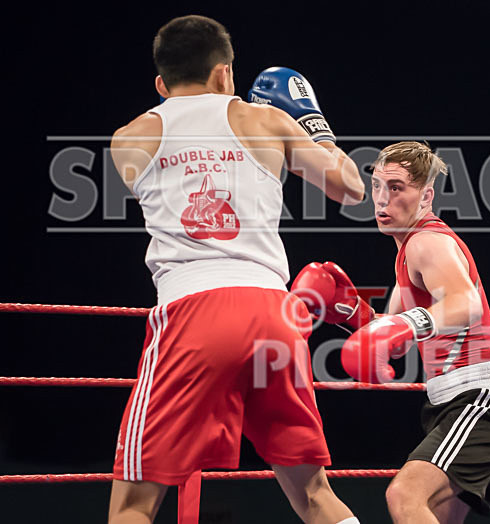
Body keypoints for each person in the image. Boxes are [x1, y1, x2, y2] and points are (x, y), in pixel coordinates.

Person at [107, 15, 364, 524]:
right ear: (226, 72)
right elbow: (352, 188)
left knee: (134, 503)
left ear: (160, 82)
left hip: (192, 314)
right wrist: (309, 123)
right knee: (314, 496)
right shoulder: (264, 121)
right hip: (274, 314)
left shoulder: (129, 138)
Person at [293, 142, 490, 522]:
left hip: (480, 401)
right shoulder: (405, 252)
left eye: (396, 187)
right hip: (451, 403)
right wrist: (351, 313)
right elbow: (392, 342)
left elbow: (463, 303)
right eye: (377, 186)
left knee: (404, 494)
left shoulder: (426, 242)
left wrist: (403, 324)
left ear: (426, 195)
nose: (382, 199)